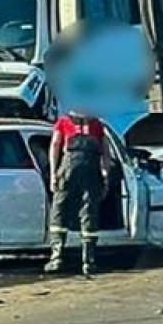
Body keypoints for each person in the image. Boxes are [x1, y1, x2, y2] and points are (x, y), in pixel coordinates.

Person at [45, 109, 110, 277]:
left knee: (59, 209)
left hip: (68, 170)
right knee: (89, 211)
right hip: (90, 172)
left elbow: (55, 146)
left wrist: (53, 174)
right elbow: (105, 153)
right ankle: (88, 260)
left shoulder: (63, 122)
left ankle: (56, 257)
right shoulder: (97, 124)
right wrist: (105, 176)